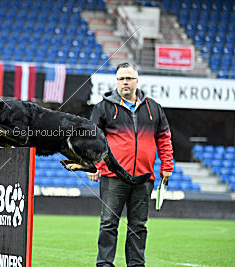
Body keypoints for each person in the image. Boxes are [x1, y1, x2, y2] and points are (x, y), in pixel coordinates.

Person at [88, 62, 173, 267]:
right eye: (121, 79)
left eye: (129, 78)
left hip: (144, 179)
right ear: (116, 82)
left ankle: (136, 264)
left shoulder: (154, 108)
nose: (125, 82)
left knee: (138, 226)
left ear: (136, 81)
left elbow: (164, 138)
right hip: (113, 177)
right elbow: (92, 138)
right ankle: (105, 264)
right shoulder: (103, 107)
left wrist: (167, 165)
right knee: (109, 223)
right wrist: (92, 165)